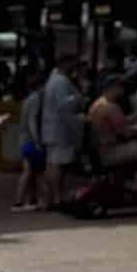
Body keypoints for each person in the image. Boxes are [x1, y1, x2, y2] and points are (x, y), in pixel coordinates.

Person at [87, 74, 137, 193]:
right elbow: (126, 133)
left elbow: (122, 121)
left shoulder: (98, 104)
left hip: (102, 150)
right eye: (121, 87)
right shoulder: (110, 107)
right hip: (110, 151)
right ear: (113, 87)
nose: (123, 91)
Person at [38, 55, 85, 209]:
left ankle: (48, 198)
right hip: (60, 129)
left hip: (51, 129)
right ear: (65, 63)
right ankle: (57, 198)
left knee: (51, 164)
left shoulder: (52, 80)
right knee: (57, 165)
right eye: (73, 64)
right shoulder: (61, 81)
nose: (75, 67)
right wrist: (78, 97)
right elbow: (65, 105)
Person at [13, 71, 45, 211]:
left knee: (30, 171)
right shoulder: (36, 99)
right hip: (31, 140)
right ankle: (20, 201)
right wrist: (37, 141)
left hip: (24, 140)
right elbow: (32, 121)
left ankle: (30, 200)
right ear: (40, 85)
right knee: (33, 173)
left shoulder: (28, 99)